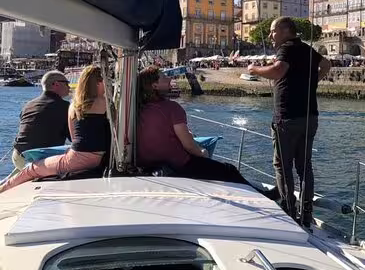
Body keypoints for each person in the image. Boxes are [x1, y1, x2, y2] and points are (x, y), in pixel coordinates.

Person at [248, 17, 331, 227]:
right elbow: (326, 64)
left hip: (288, 117)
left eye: (272, 31)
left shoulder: (286, 48)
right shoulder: (306, 49)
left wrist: (254, 69)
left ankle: (288, 210)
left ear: (285, 31)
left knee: (283, 166)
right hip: (310, 117)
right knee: (305, 167)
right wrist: (312, 82)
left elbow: (278, 70)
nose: (270, 36)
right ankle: (306, 213)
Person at [136, 66, 256, 186]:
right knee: (229, 170)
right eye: (164, 77)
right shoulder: (172, 108)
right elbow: (189, 146)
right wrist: (203, 153)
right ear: (154, 86)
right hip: (178, 166)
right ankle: (265, 196)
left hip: (146, 165)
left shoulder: (138, 108)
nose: (169, 78)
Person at [1, 66, 109, 193]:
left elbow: (75, 138)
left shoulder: (72, 105)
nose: (69, 87)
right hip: (96, 157)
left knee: (32, 169)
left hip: (21, 155)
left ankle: (2, 191)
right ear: (99, 82)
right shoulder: (105, 103)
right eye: (66, 83)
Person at [11, 70, 71, 171]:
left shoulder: (28, 105)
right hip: (40, 160)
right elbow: (74, 137)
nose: (69, 87)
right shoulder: (65, 107)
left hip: (18, 157)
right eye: (66, 83)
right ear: (56, 84)